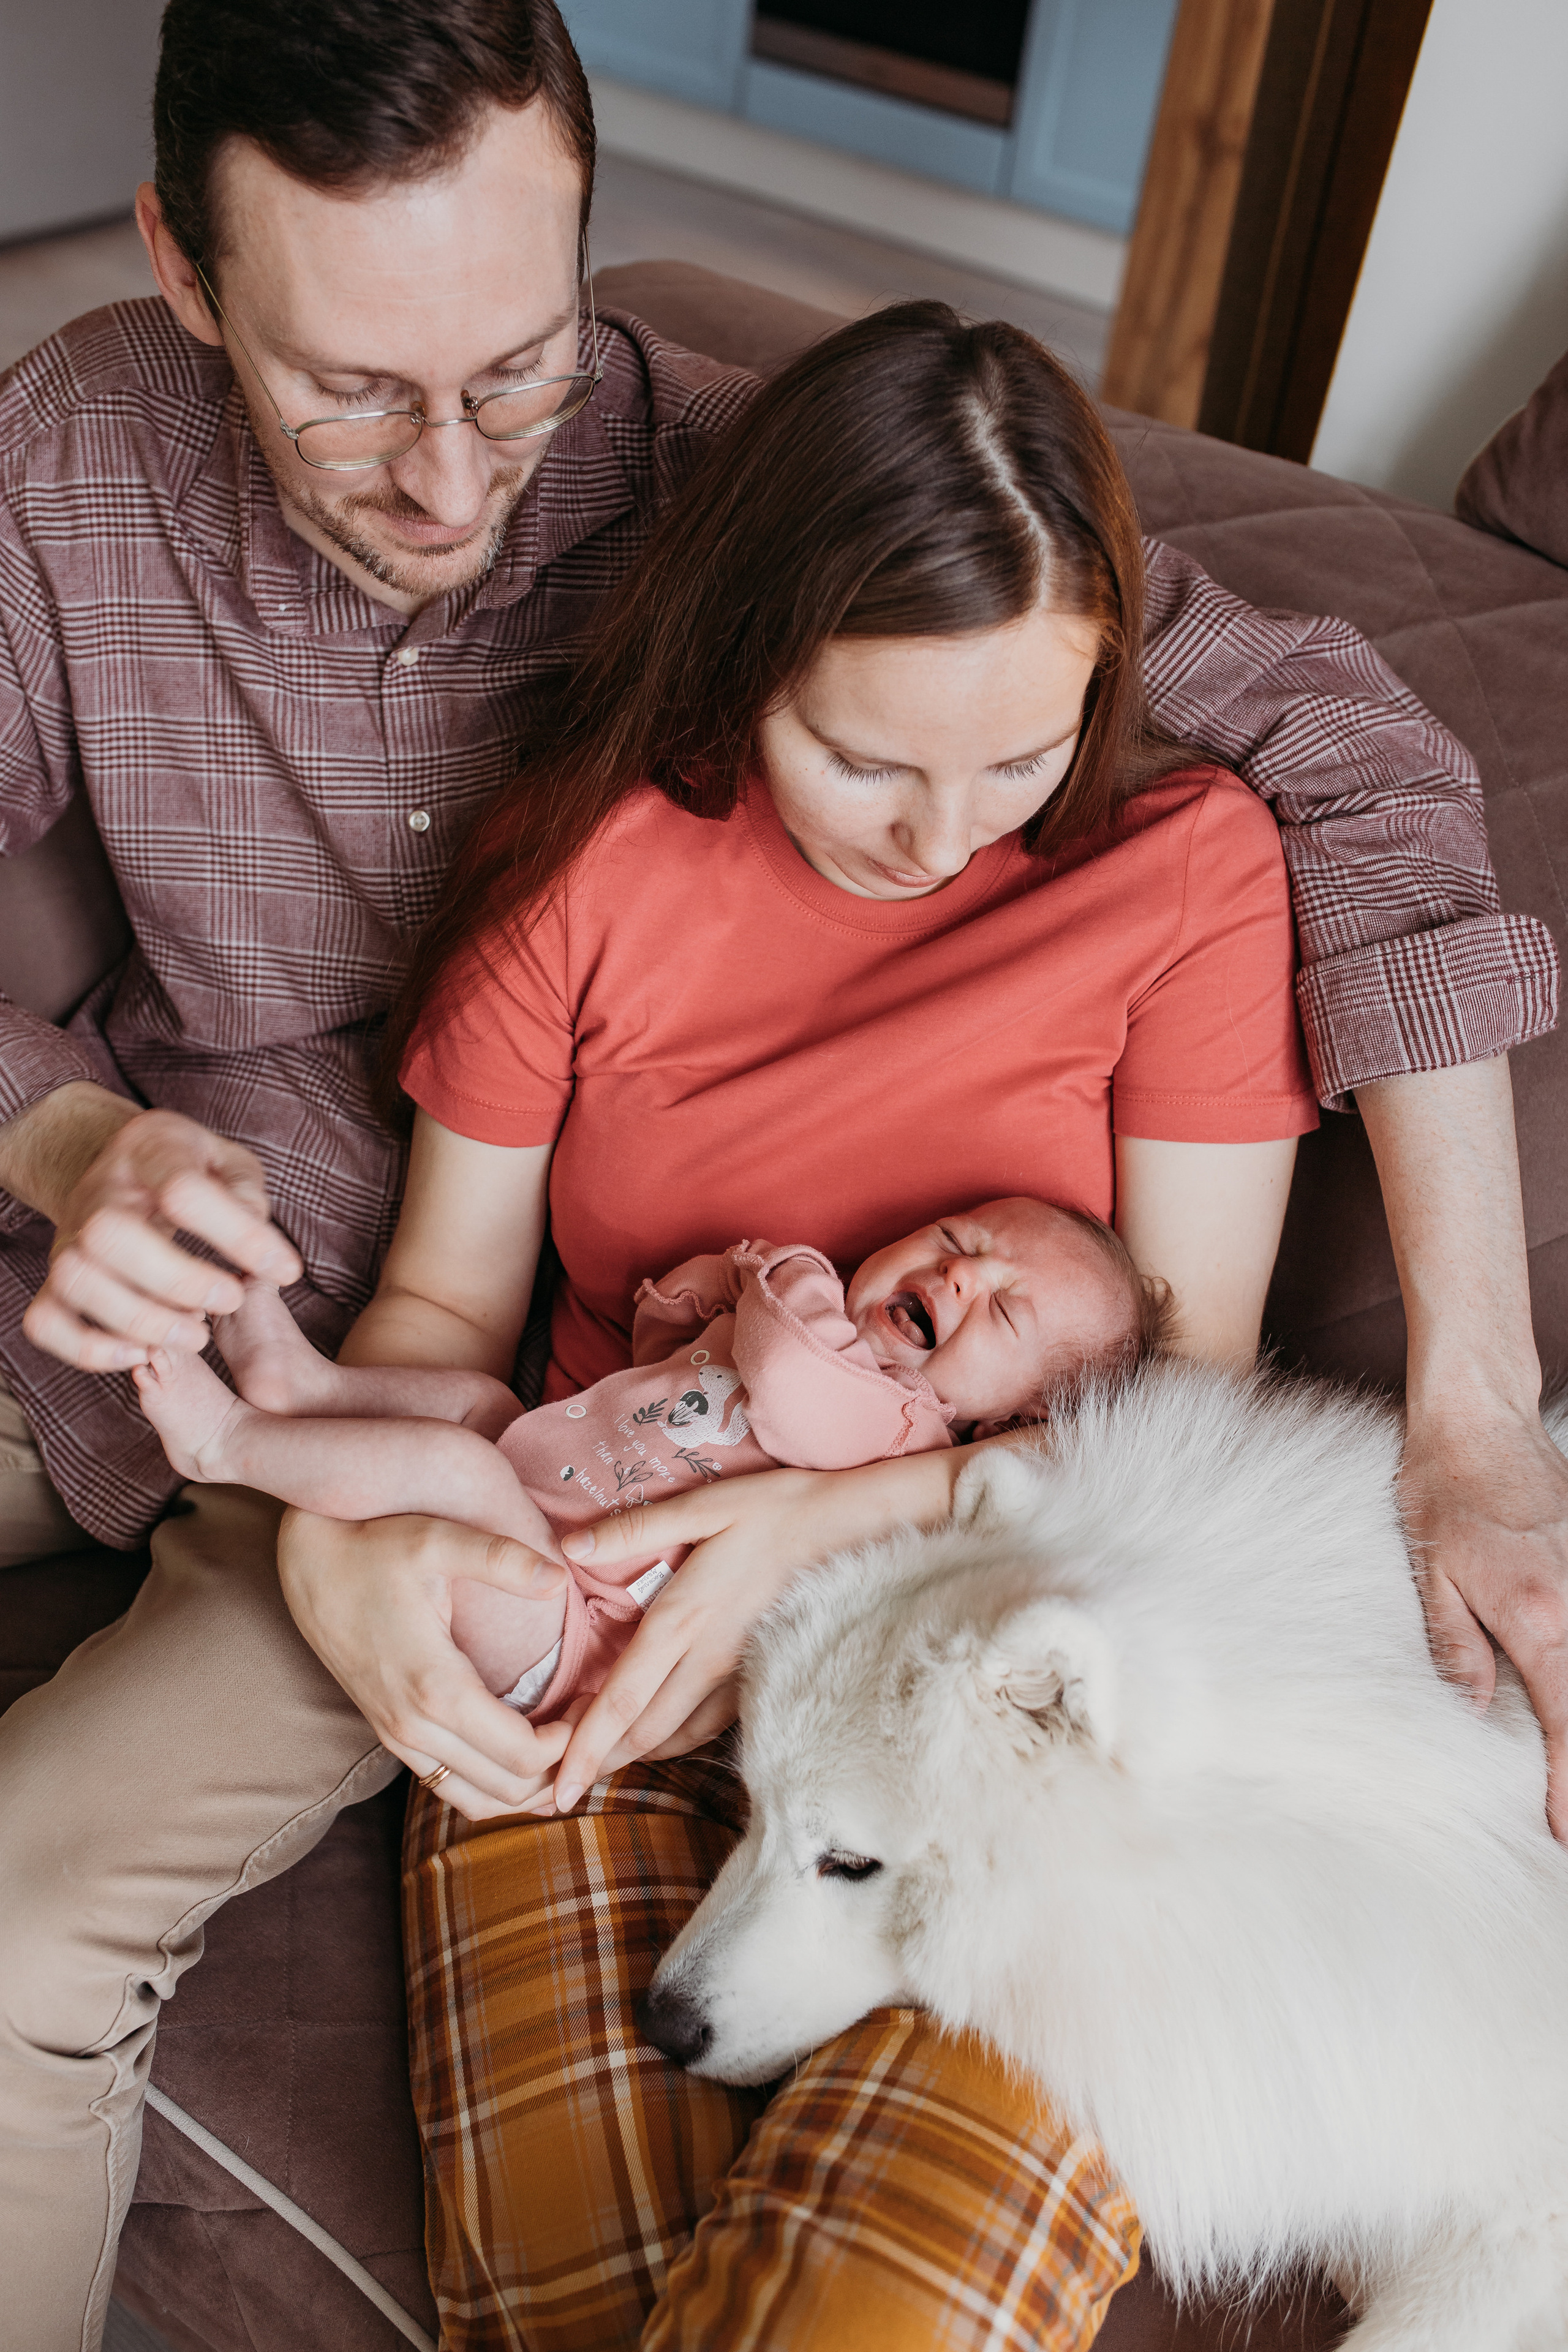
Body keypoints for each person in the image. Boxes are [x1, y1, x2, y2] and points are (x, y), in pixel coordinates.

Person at [0, 1, 1560, 2343]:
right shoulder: (87, 475)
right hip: (281, 1337)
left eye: (518, 368)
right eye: (355, 391)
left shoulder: (794, 511)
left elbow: (1349, 779)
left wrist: (1467, 1410)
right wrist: (83, 1147)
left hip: (592, 1457)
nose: (450, 476)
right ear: (184, 271)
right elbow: (431, 1311)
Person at [379, 296, 1325, 2340]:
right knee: (567, 2287)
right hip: (598, 1643)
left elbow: (1197, 1408)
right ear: (746, 660)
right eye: (863, 757)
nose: (942, 836)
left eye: (1024, 752)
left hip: (999, 1694)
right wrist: (353, 1538)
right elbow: (440, 1304)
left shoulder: (1190, 877)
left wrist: (834, 1528)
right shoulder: (592, 870)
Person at [131, 1202, 1167, 1714]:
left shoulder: (894, 1428)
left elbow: (786, 1358)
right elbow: (677, 1362)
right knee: (479, 1406)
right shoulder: (824, 1343)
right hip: (560, 1499)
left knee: (461, 1474)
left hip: (570, 1635)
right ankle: (303, 1386)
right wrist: (695, 1307)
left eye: (1004, 1308)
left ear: (1001, 1424)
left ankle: (230, 1443)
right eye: (959, 1238)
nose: (961, 1272)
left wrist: (771, 1267)